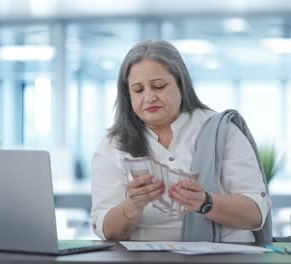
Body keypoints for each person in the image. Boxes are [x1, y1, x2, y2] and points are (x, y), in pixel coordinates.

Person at [90, 40, 272, 242]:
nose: (149, 97)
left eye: (158, 86)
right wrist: (131, 206)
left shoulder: (222, 130)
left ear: (181, 84)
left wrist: (206, 202)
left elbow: (255, 215)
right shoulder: (112, 145)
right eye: (138, 90)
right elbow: (106, 230)